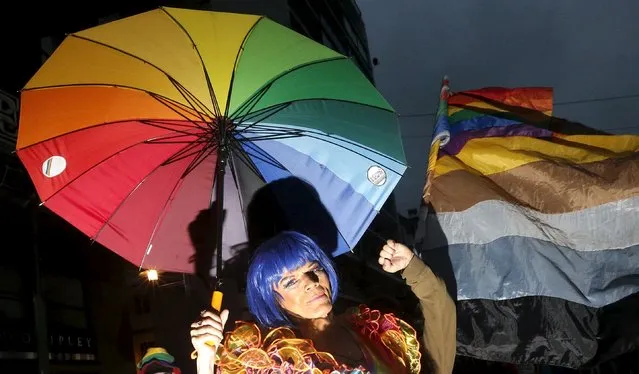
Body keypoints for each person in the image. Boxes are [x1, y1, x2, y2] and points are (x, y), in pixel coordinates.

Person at [190, 231, 456, 373]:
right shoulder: (277, 364)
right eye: (290, 282)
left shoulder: (375, 332)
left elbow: (441, 319)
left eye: (314, 269)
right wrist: (205, 358)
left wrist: (412, 267)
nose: (310, 281)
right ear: (274, 301)